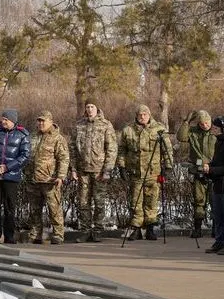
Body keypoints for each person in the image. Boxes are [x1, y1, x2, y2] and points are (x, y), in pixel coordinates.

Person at [117, 104, 173, 241]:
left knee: (151, 200)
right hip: (136, 172)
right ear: (136, 116)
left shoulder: (159, 129)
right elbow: (122, 150)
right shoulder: (128, 130)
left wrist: (168, 167)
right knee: (135, 201)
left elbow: (167, 150)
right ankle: (136, 229)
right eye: (140, 115)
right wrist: (122, 166)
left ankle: (150, 229)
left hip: (153, 172)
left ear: (149, 115)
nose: (142, 117)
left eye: (145, 115)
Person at [70, 101, 117, 243]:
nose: (90, 110)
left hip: (99, 171)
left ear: (97, 108)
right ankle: (85, 231)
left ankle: (97, 231)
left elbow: (112, 149)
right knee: (83, 203)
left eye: (92, 107)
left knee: (99, 202)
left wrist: (107, 170)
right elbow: (72, 148)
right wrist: (73, 169)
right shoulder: (79, 125)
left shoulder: (105, 125)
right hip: (83, 170)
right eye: (88, 107)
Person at [25, 111, 70, 245]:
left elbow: (64, 158)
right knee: (34, 209)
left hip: (50, 180)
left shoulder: (57, 138)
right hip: (33, 179)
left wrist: (60, 176)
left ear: (51, 121)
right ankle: (35, 234)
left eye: (43, 121)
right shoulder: (33, 136)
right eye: (39, 121)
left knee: (54, 209)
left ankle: (58, 234)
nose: (40, 123)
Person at [0, 109, 30, 244]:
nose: (3, 121)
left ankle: (9, 236)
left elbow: (25, 156)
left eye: (6, 119)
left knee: (10, 207)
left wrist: (7, 167)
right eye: (2, 119)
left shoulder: (22, 135)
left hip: (11, 176)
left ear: (13, 120)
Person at [177, 110, 214, 238]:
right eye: (202, 123)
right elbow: (181, 137)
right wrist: (186, 122)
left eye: (207, 122)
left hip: (215, 171)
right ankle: (198, 228)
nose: (205, 125)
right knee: (199, 200)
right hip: (198, 170)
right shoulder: (193, 132)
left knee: (215, 202)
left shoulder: (215, 134)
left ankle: (216, 228)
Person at [204, 116, 224, 253]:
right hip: (218, 185)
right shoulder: (218, 142)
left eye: (216, 128)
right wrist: (208, 168)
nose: (213, 130)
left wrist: (212, 169)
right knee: (218, 215)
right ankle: (219, 241)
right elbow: (217, 163)